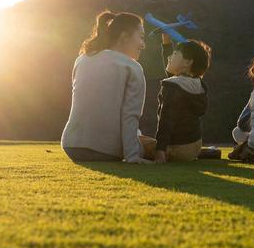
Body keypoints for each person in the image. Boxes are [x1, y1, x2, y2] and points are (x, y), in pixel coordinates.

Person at [61, 10, 155, 163]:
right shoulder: (132, 67)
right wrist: (132, 156)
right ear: (124, 36)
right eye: (141, 37)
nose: (143, 45)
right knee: (153, 146)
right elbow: (130, 115)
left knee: (140, 137)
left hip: (71, 146)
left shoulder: (82, 59)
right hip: (106, 151)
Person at [154, 33, 211, 163]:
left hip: (177, 149)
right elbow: (173, 75)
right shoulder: (197, 84)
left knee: (136, 141)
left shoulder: (172, 86)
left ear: (188, 62)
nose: (169, 57)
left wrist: (160, 150)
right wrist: (167, 44)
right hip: (194, 146)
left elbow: (166, 120)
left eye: (174, 54)